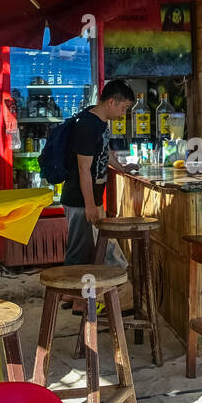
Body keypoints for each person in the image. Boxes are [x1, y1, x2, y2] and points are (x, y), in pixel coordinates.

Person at [63, 79, 135, 265]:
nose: (123, 112)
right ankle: (69, 292)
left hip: (92, 199)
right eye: (124, 107)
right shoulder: (87, 125)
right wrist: (89, 204)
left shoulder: (101, 123)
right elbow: (83, 168)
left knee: (97, 252)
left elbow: (105, 152)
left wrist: (123, 168)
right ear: (111, 102)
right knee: (78, 255)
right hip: (79, 200)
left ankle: (87, 293)